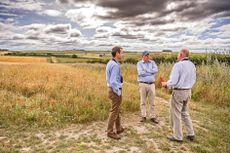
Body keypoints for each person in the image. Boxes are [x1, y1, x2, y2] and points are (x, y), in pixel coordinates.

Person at [161, 49, 196, 143]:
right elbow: (194, 79)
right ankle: (191, 133)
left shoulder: (178, 65)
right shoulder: (192, 65)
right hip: (188, 91)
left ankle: (178, 136)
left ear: (181, 54)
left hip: (179, 92)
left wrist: (165, 84)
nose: (177, 56)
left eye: (177, 54)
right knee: (185, 112)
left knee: (176, 114)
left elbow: (173, 81)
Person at [106, 46, 124, 140]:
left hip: (111, 90)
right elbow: (113, 81)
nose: (122, 54)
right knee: (114, 111)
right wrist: (118, 91)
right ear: (117, 53)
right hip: (114, 91)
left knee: (116, 110)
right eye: (121, 52)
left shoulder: (110, 62)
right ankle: (110, 132)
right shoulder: (115, 65)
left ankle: (118, 128)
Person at [137, 51, 159, 123]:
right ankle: (143, 116)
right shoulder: (139, 63)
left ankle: (153, 116)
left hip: (151, 84)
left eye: (148, 55)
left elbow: (156, 70)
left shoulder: (152, 62)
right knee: (143, 101)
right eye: (146, 56)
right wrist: (150, 72)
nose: (148, 57)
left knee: (152, 102)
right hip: (142, 84)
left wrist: (146, 71)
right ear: (143, 56)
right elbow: (140, 73)